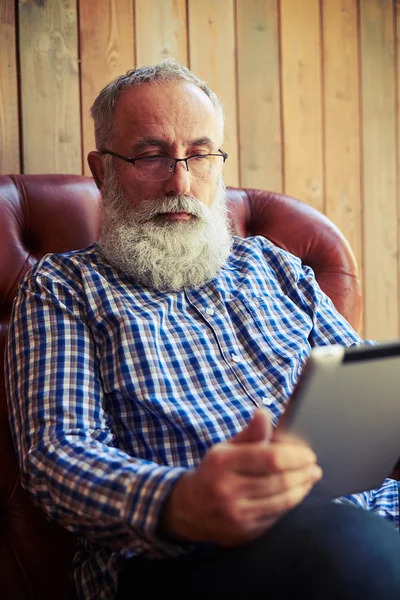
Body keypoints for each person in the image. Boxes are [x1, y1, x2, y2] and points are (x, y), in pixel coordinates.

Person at [5, 59, 400, 600]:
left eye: (200, 154)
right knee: (348, 552)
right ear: (102, 171)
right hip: (186, 553)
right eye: (150, 156)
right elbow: (58, 455)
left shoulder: (272, 264)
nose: (181, 181)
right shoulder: (62, 286)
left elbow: (371, 389)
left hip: (363, 512)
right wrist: (181, 501)